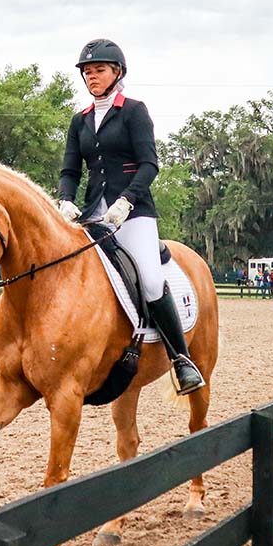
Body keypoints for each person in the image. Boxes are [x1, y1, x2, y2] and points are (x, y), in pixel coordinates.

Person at [57, 38, 203, 395]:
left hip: (134, 213)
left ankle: (181, 359)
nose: (92, 77)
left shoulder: (134, 111)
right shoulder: (80, 121)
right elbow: (71, 169)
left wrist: (126, 201)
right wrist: (64, 199)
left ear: (117, 73)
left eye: (99, 70)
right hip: (93, 214)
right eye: (88, 72)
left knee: (151, 281)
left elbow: (150, 163)